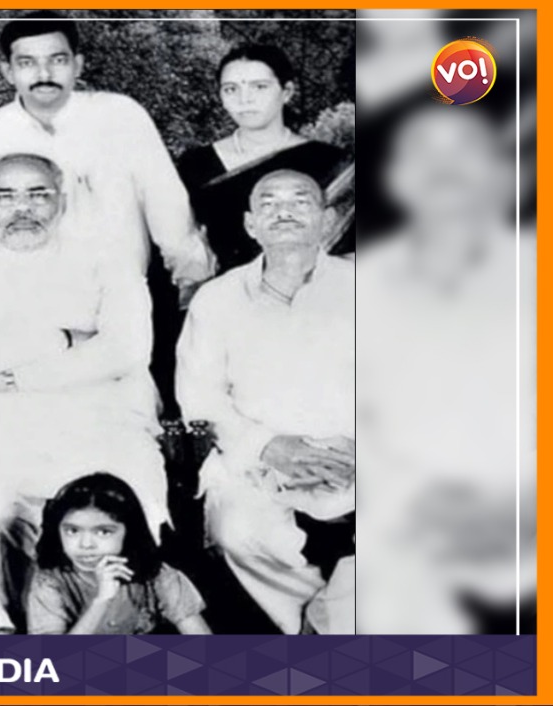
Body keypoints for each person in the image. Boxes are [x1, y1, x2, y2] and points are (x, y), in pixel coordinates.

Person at [0, 153, 170, 629]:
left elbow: (129, 347)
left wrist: (22, 374)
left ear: (62, 200)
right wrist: (62, 338)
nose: (22, 208)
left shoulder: (106, 248)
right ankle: (6, 634)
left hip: (97, 409)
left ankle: (109, 629)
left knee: (118, 502)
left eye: (38, 194)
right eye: (5, 196)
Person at [358, 105, 531, 634]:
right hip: (409, 515)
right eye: (426, 158)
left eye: (463, 156)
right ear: (398, 179)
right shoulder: (366, 284)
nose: (445, 171)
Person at [175, 169, 355, 635]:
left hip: (355, 454)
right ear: (251, 225)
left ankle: (337, 616)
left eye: (300, 200)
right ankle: (317, 626)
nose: (284, 212)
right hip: (257, 458)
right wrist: (268, 447)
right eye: (269, 203)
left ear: (327, 219)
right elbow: (199, 396)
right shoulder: (216, 300)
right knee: (237, 532)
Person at [0, 12, 215, 298]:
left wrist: (193, 275)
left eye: (57, 60)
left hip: (123, 299)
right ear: (8, 72)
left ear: (78, 65)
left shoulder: (121, 116)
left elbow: (166, 203)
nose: (44, 75)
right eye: (27, 63)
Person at [176, 44, 351, 271]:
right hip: (220, 290)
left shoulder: (330, 162)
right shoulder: (194, 165)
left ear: (286, 92)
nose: (244, 99)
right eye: (231, 89)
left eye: (259, 87)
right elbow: (180, 245)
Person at [26, 473, 210, 635]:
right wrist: (102, 600)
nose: (85, 545)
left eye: (103, 532)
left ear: (128, 532)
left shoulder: (157, 575)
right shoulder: (49, 580)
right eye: (72, 531)